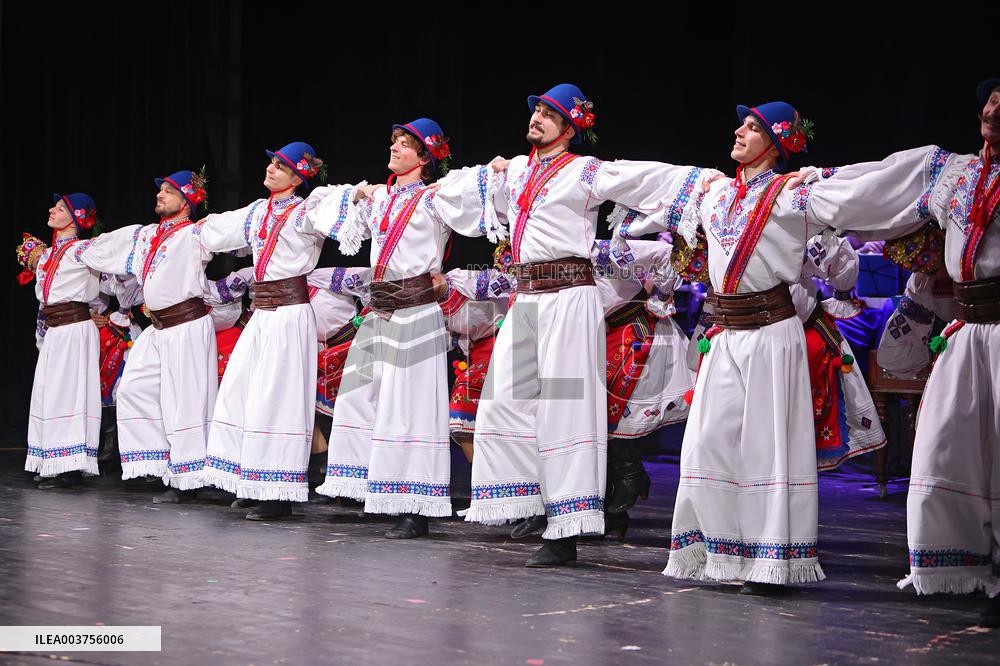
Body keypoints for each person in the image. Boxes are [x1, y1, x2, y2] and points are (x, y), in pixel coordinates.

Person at [613, 100, 944, 592]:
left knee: (767, 447)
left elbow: (871, 187)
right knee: (708, 441)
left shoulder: (796, 197)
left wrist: (826, 177)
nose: (739, 131)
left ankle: (772, 561)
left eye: (753, 127)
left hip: (772, 332)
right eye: (742, 124)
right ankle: (721, 550)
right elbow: (652, 180)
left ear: (777, 143)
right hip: (725, 335)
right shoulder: (716, 192)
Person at [463, 83, 721, 566]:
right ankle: (531, 503)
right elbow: (461, 190)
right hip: (526, 300)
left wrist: (703, 180)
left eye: (549, 113)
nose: (537, 117)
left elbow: (643, 179)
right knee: (505, 402)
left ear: (570, 127)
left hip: (567, 299)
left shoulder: (584, 171)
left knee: (565, 409)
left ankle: (566, 531)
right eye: (536, 109)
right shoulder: (517, 170)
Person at [314, 118, 502, 538]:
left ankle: (416, 506)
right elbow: (324, 204)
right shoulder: (381, 197)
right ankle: (374, 488)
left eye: (405, 144)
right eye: (394, 141)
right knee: (360, 396)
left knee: (411, 407)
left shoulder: (436, 196)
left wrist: (498, 171)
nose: (395, 148)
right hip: (379, 311)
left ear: (425, 156)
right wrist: (358, 192)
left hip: (416, 310)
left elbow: (477, 189)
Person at [892, 79, 1000, 627]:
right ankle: (955, 562)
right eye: (991, 98)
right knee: (944, 447)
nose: (992, 108)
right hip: (966, 329)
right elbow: (886, 187)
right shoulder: (956, 172)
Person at [72, 170, 219, 501]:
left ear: (187, 200)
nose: (160, 194)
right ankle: (154, 465)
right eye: (161, 189)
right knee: (132, 390)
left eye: (169, 190)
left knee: (185, 402)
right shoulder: (147, 235)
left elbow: (238, 228)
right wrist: (75, 251)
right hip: (157, 329)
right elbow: (106, 246)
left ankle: (189, 478)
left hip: (186, 324)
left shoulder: (197, 233)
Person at [16, 193, 102, 488]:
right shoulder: (48, 256)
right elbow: (44, 301)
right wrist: (42, 335)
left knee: (70, 393)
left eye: (61, 208)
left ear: (76, 217)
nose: (52, 210)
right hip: (55, 332)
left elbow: (114, 269)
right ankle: (48, 459)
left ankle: (71, 465)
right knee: (47, 393)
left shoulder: (84, 250)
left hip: (75, 329)